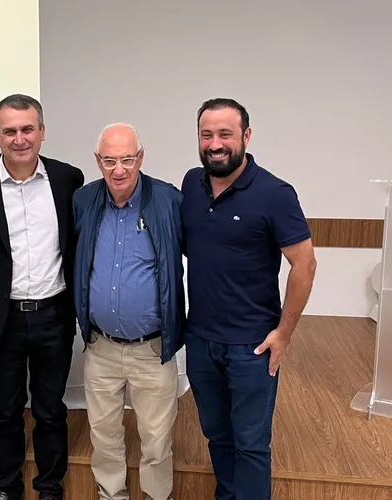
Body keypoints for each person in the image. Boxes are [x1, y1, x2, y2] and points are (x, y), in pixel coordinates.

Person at [181, 98, 318, 500]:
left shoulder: (275, 193)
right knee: (217, 435)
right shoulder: (191, 184)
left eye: (225, 134)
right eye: (207, 134)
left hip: (252, 346)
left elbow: (305, 265)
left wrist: (284, 334)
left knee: (251, 443)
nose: (215, 144)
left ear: (246, 136)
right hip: (201, 340)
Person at [0, 94, 84, 500]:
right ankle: (6, 488)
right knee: (5, 410)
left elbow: (78, 248)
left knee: (50, 409)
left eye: (27, 129)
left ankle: (49, 487)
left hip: (54, 314)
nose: (19, 139)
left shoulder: (68, 179)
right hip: (1, 320)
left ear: (42, 132)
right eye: (10, 131)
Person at [72, 123, 185, 500]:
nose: (118, 169)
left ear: (141, 158)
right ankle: (111, 495)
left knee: (156, 439)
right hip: (101, 347)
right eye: (109, 160)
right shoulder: (84, 200)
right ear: (97, 161)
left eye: (127, 159)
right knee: (104, 435)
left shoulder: (168, 200)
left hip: (152, 349)